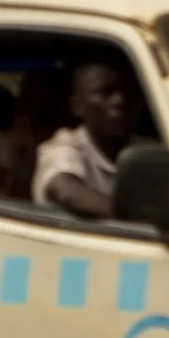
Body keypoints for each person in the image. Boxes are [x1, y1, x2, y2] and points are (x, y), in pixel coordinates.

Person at [33, 59, 138, 220]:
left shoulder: (145, 150)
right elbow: (66, 190)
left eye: (128, 92)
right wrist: (137, 220)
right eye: (105, 93)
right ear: (77, 106)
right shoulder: (64, 146)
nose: (119, 101)